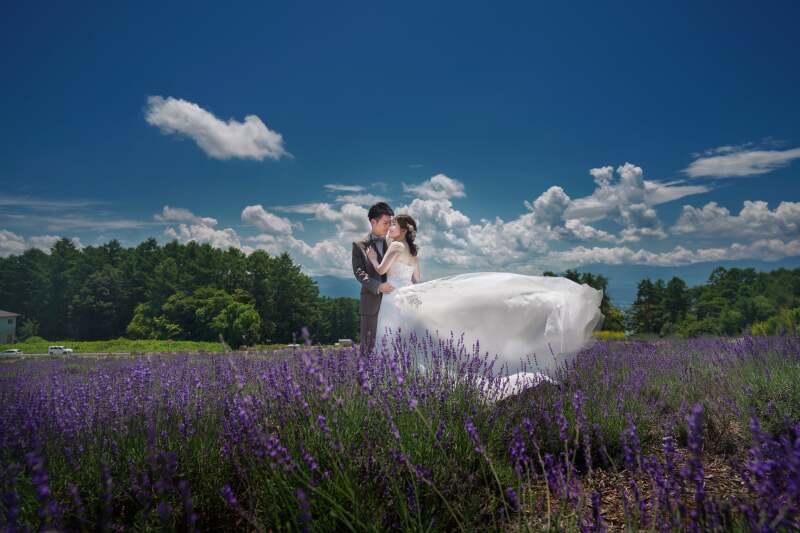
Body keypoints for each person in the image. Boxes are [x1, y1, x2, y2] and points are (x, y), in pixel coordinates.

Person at [360, 210, 604, 383]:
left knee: (395, 340)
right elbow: (417, 279)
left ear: (402, 230)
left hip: (395, 297)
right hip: (408, 294)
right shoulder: (413, 251)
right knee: (414, 337)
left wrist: (371, 258)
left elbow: (381, 271)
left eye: (393, 225)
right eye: (388, 224)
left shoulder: (395, 246)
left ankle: (390, 381)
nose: (390, 228)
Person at [351, 202, 396, 352]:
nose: (389, 227)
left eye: (391, 223)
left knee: (394, 345)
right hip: (371, 303)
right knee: (368, 348)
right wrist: (378, 286)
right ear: (373, 222)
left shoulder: (394, 243)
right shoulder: (359, 245)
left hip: (394, 302)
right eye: (385, 223)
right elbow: (359, 272)